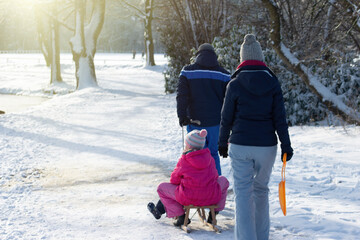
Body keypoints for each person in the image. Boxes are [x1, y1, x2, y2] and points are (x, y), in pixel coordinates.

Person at [218, 34, 294, 240]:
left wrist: (222, 142)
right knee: (261, 191)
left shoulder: (234, 83)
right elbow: (280, 118)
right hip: (266, 146)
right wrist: (286, 145)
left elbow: (226, 118)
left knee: (243, 195)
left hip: (240, 145)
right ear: (261, 58)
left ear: (242, 60)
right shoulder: (272, 82)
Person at [147, 129, 229, 227]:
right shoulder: (210, 158)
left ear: (188, 146)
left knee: (161, 188)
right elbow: (215, 177)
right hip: (210, 196)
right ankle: (214, 213)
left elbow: (174, 180)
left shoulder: (184, 159)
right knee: (224, 180)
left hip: (188, 198)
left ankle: (180, 215)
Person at [176, 43, 231, 175]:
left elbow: (181, 96)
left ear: (198, 55)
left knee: (195, 155)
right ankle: (216, 184)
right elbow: (229, 101)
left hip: (194, 122)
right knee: (212, 154)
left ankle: (196, 186)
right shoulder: (224, 74)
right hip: (215, 123)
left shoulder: (187, 71)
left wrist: (182, 116)